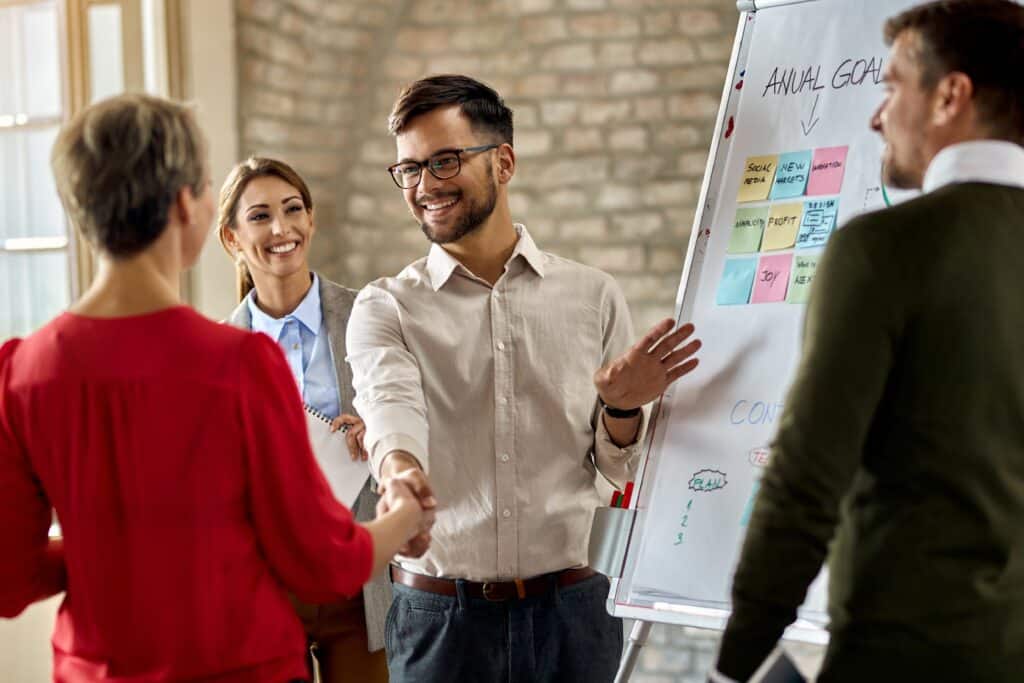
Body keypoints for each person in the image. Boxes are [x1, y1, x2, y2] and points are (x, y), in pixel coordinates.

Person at [0, 94, 432, 682]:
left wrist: (114, 549)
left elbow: (10, 578)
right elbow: (322, 561)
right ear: (186, 204)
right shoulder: (240, 363)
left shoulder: (19, 372)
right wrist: (404, 514)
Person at [345, 74, 703, 683]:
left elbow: (617, 471)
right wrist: (401, 475)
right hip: (440, 624)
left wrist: (621, 410)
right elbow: (389, 407)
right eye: (408, 169)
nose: (425, 186)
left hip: (574, 615)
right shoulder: (386, 307)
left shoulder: (592, 297)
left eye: (445, 161)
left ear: (503, 162)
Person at [712, 1, 1024, 681]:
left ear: (950, 96)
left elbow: (804, 481)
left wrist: (734, 666)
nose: (877, 116)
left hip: (903, 657)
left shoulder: (884, 247)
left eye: (891, 87)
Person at [218, 157, 393, 683]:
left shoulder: (370, 316)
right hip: (266, 588)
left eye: (293, 210)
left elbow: (422, 422)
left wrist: (381, 431)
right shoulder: (219, 352)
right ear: (231, 239)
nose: (281, 228)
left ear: (311, 221)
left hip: (360, 585)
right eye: (260, 216)